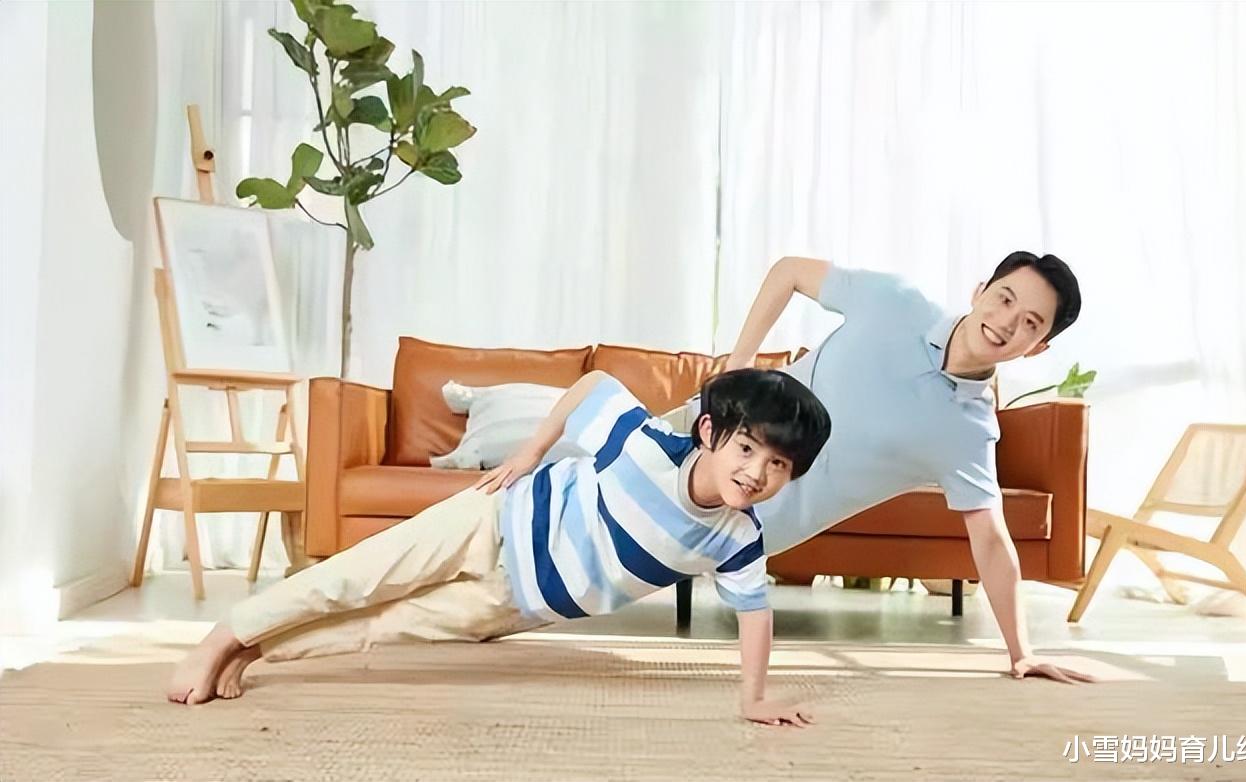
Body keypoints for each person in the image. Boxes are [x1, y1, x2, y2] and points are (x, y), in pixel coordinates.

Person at [166, 368, 833, 725]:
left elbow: (755, 615)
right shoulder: (649, 444)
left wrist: (752, 698)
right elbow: (593, 386)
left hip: (514, 602)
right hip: (493, 519)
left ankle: (253, 648)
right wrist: (531, 451)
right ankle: (223, 633)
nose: (757, 472)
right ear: (710, 433)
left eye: (778, 465)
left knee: (377, 627)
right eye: (747, 449)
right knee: (358, 577)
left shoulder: (736, 539)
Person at [716, 250, 1095, 684]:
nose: (1008, 322)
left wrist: (1021, 653)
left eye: (1030, 323)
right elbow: (789, 272)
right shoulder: (894, 301)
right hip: (701, 437)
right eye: (1005, 299)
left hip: (731, 535)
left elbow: (991, 542)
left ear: (1038, 348)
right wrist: (738, 365)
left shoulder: (969, 432)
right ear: (980, 291)